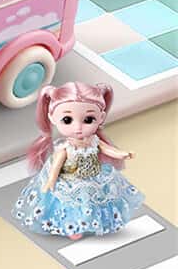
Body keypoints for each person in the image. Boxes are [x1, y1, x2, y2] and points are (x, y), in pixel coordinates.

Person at [13, 80, 143, 238]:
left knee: (94, 199)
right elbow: (57, 165)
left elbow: (108, 149)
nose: (78, 128)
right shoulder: (66, 147)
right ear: (52, 117)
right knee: (71, 203)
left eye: (88, 120)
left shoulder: (94, 140)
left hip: (93, 176)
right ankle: (74, 225)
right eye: (67, 120)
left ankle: (90, 221)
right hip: (70, 179)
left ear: (101, 117)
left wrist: (122, 154)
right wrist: (51, 180)